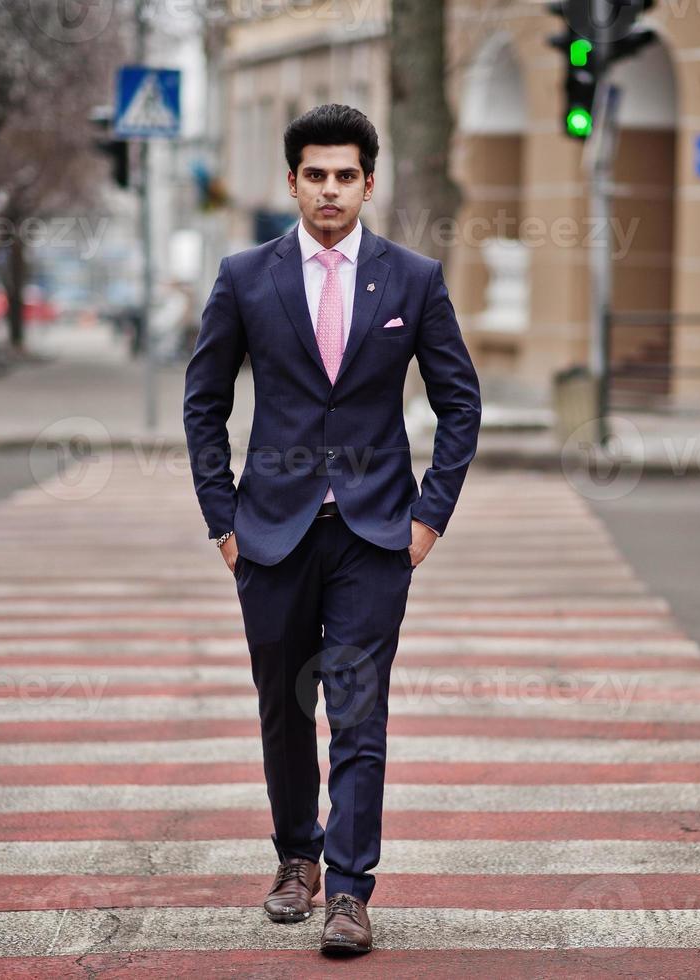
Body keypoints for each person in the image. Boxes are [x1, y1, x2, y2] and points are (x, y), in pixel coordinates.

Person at [183, 104, 481, 956]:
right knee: (283, 704)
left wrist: (428, 519)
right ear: (291, 182)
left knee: (357, 709)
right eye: (314, 175)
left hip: (374, 534)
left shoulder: (412, 279)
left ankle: (349, 890)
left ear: (367, 184)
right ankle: (295, 857)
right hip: (268, 534)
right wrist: (222, 522)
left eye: (344, 175)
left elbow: (460, 404)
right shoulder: (245, 276)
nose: (328, 189)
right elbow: (205, 404)